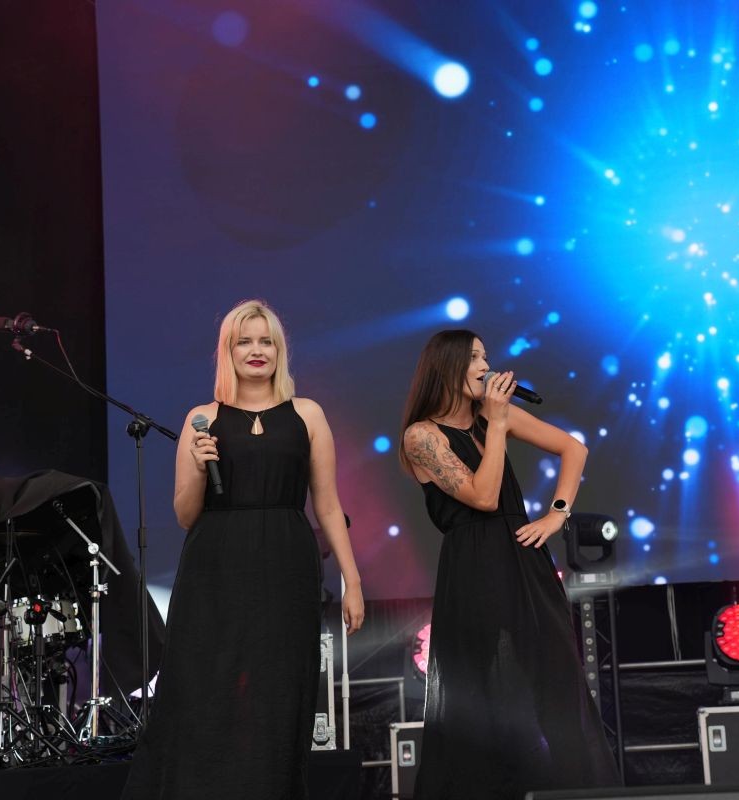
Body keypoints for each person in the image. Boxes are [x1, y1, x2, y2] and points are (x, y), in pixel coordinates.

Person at [122, 299, 364, 800]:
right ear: (227, 352)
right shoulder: (202, 418)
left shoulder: (308, 414)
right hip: (215, 567)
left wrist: (353, 580)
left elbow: (327, 504)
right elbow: (185, 514)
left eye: (266, 341)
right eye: (245, 341)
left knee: (280, 689)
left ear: (280, 350)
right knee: (208, 688)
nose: (257, 350)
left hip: (287, 564)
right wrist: (197, 464)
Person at [398, 330, 620, 799]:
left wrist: (556, 515)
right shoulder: (422, 436)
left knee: (554, 680)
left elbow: (574, 449)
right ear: (447, 366)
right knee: (483, 694)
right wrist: (497, 424)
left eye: (486, 356)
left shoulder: (493, 415)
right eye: (474, 358)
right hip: (473, 567)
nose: (486, 366)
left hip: (524, 557)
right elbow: (483, 496)